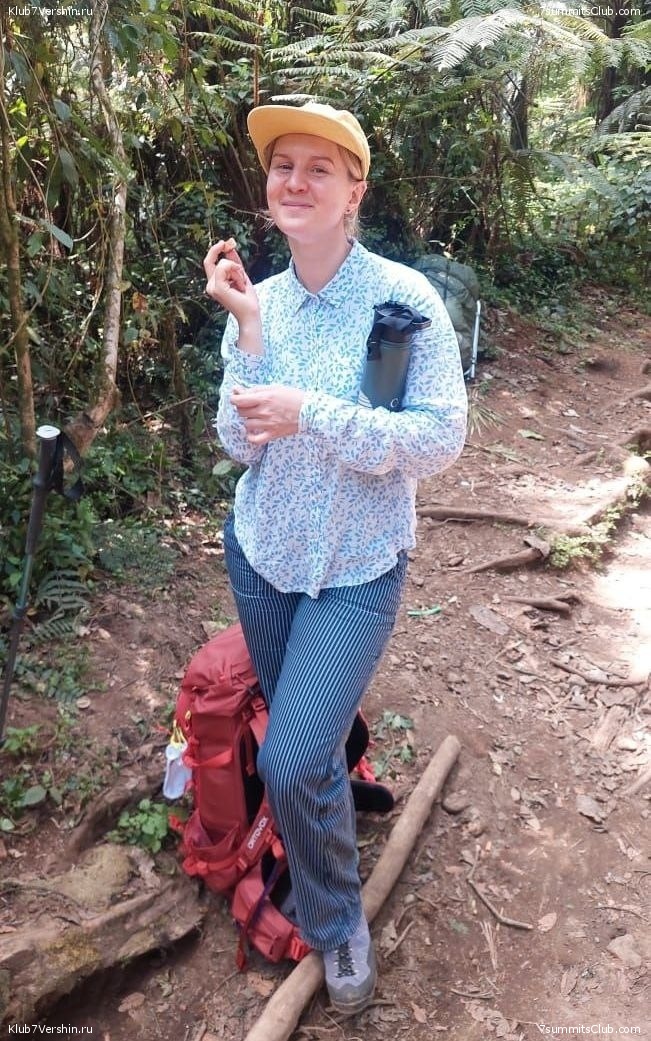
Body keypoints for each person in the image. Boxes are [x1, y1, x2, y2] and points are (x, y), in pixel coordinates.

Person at [203, 101, 467, 1015]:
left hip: (357, 564)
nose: (296, 181)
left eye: (320, 168)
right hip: (263, 554)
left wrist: (309, 413)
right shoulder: (261, 301)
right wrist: (245, 328)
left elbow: (438, 439)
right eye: (283, 165)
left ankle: (334, 917)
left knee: (287, 756)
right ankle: (324, 806)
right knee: (303, 745)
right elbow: (235, 443)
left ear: (354, 191)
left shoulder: (403, 299)